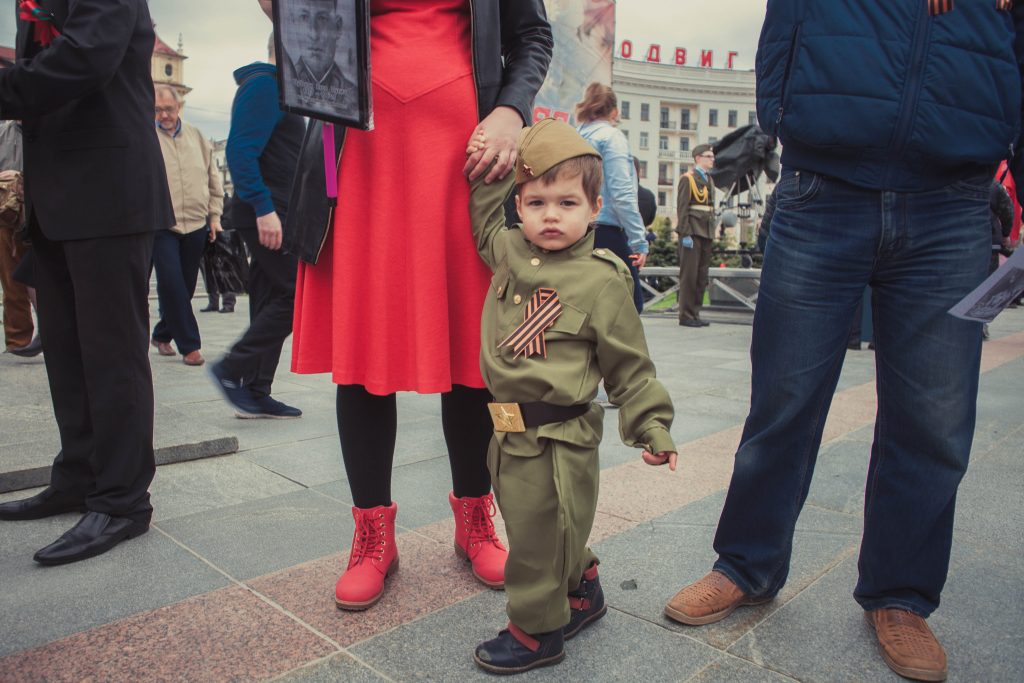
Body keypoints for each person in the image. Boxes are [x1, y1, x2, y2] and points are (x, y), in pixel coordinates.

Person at [664, 3, 1023, 682]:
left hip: (954, 199)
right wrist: (786, 117)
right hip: (822, 186)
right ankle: (745, 562)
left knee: (936, 419)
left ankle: (900, 594)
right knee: (784, 398)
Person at [283, 0, 553, 610]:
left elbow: (532, 34)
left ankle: (474, 519)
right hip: (355, 146)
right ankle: (372, 536)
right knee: (364, 345)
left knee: (468, 348)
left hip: (467, 149)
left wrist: (511, 109)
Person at [466, 118, 677, 674]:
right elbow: (485, 218)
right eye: (536, 202)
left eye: (566, 202)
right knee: (538, 522)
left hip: (561, 438)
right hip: (508, 431)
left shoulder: (603, 279)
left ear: (594, 208)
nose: (550, 215)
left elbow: (629, 366)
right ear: (520, 205)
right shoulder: (510, 250)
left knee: (538, 536)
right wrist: (493, 159)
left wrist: (651, 425)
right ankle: (583, 589)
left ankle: (537, 632)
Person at [0, 0, 174, 565]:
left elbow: (86, 59)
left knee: (113, 356)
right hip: (55, 194)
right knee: (69, 356)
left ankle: (123, 500)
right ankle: (77, 476)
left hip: (109, 189)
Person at [209, 29, 305, 420]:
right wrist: (265, 209)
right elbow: (240, 151)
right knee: (294, 297)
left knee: (269, 298)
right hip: (266, 213)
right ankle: (232, 368)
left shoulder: (289, 92)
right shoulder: (266, 85)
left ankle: (257, 390)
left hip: (280, 212)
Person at [151, 85, 224, 367]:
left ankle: (160, 333)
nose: (164, 115)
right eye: (158, 110)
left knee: (187, 286)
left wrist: (214, 216)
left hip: (195, 222)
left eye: (168, 109)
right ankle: (190, 346)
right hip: (161, 223)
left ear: (179, 107)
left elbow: (212, 178)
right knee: (171, 284)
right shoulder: (147, 135)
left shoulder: (196, 135)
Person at [575, 82, 648, 313]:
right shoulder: (611, 137)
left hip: (577, 230)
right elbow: (622, 193)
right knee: (630, 306)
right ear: (614, 112)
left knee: (586, 306)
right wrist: (639, 241)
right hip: (606, 231)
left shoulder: (575, 136)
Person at [0, 119, 39, 356]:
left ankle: (52, 332)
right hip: (5, 212)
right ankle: (18, 339)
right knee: (10, 276)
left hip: (37, 214)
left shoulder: (43, 127)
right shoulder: (3, 131)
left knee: (40, 275)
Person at [282, 0, 359, 118]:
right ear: (294, 25)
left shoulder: (355, 98)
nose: (313, 34)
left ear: (337, 27)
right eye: (304, 17)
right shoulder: (283, 90)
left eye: (322, 18)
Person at [675, 143, 716, 328]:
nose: (712, 159)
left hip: (706, 231)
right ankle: (685, 315)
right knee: (689, 276)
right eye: (708, 156)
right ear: (698, 158)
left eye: (712, 156)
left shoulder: (709, 179)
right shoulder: (688, 179)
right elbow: (682, 209)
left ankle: (695, 313)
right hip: (692, 231)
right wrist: (684, 233)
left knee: (701, 276)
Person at [200, 192, 238, 314]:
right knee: (208, 273)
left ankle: (228, 303)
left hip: (222, 242)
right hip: (207, 241)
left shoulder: (227, 201)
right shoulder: (206, 201)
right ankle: (213, 302)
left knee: (225, 274)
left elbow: (229, 222)